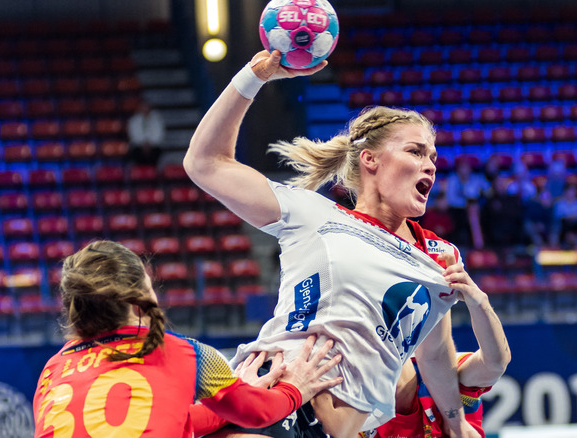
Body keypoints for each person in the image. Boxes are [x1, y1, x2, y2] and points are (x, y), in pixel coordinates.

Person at [184, 50, 477, 437]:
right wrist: (253, 77)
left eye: (434, 157)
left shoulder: (440, 257)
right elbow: (204, 163)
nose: (431, 165)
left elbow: (436, 355)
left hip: (347, 427)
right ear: (370, 160)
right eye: (416, 151)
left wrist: (456, 426)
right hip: (280, 391)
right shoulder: (316, 215)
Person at [32, 240, 343, 438]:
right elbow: (259, 412)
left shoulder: (52, 369)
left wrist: (234, 401)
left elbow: (145, 424)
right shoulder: (186, 353)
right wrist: (294, 388)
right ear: (141, 297)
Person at [368, 263, 511, 438]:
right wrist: (480, 302)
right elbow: (495, 363)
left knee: (397, 389)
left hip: (366, 395)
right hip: (430, 383)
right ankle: (432, 274)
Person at [127, 100, 166, 165]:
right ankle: (138, 171)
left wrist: (149, 143)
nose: (145, 109)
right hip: (139, 146)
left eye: (146, 107)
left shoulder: (157, 119)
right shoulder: (134, 120)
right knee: (135, 152)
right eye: (143, 107)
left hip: (153, 146)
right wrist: (143, 143)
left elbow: (160, 134)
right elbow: (132, 135)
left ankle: (153, 171)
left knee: (157, 152)